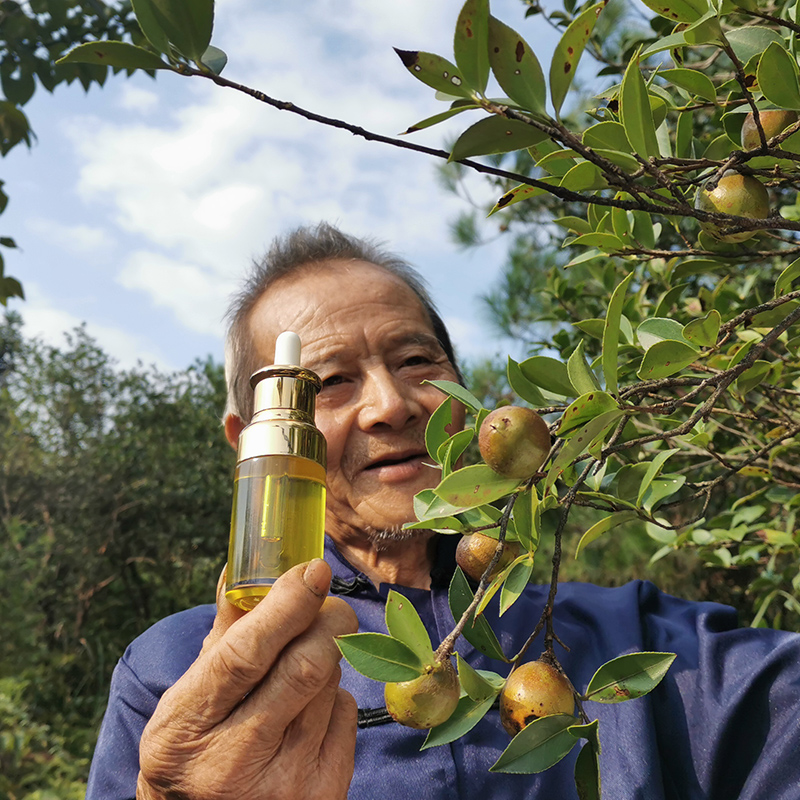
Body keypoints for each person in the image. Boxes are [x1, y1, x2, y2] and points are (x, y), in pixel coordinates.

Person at [87, 223, 800, 800]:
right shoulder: (174, 678)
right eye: (329, 381)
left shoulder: (627, 642)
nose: (391, 404)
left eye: (416, 360)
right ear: (254, 444)